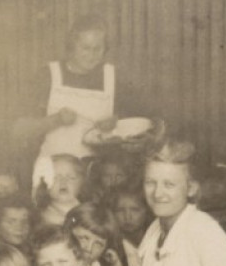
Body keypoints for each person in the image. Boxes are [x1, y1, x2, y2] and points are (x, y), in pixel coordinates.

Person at [20, 15, 141, 192]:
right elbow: (19, 130)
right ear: (71, 46)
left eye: (97, 49)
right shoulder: (47, 75)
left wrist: (115, 124)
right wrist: (55, 120)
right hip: (53, 172)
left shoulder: (114, 77)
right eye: (85, 48)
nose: (91, 55)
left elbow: (136, 126)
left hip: (97, 177)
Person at [66, 201, 138, 266]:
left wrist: (115, 264)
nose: (89, 248)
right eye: (83, 238)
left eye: (98, 244)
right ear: (69, 231)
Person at [36, 153, 86, 230]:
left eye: (71, 178)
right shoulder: (46, 217)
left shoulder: (86, 209)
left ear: (81, 183)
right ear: (46, 184)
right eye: (55, 178)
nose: (63, 182)